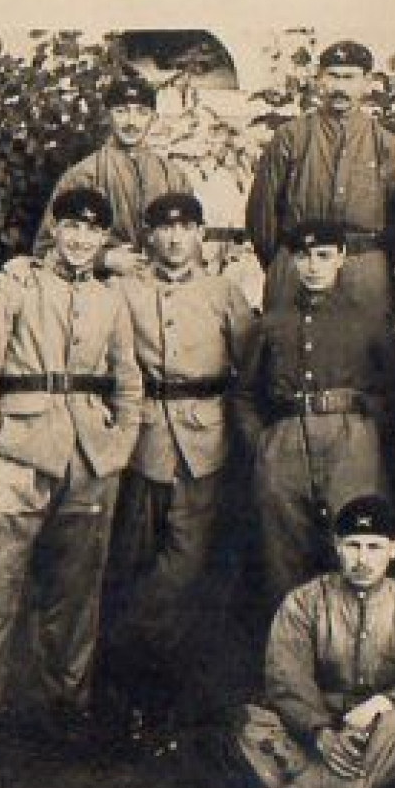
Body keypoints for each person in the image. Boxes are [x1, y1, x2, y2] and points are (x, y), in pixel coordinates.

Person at [0, 187, 143, 776]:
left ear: (104, 240)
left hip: (88, 461)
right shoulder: (16, 283)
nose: (79, 240)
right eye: (70, 227)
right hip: (19, 454)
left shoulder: (110, 298)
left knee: (74, 598)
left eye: (91, 231)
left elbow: (129, 383)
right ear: (55, 230)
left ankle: (65, 714)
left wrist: (116, 446)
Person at [199, 497, 395, 788]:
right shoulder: (303, 602)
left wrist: (388, 701)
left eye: (374, 547)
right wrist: (319, 732)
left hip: (375, 735)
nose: (363, 560)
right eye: (353, 546)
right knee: (252, 727)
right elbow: (286, 677)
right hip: (306, 736)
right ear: (336, 545)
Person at [102, 192, 254, 738]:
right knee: (130, 561)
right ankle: (134, 698)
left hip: (205, 441)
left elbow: (249, 365)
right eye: (163, 229)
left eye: (185, 228)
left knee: (186, 569)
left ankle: (142, 671)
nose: (173, 239)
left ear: (198, 234)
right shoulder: (125, 290)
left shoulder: (223, 293)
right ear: (148, 236)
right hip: (142, 440)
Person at [234, 220, 395, 606]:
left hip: (352, 442)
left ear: (341, 258)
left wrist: (367, 429)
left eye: (324, 256)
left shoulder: (367, 320)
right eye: (304, 256)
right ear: (292, 261)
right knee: (283, 555)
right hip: (285, 441)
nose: (314, 266)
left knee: (354, 547)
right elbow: (243, 394)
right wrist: (262, 443)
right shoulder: (272, 324)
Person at [244, 40, 395, 317]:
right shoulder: (291, 136)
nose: (340, 87)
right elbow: (263, 212)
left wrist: (378, 266)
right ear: (319, 79)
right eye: (333, 76)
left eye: (350, 77)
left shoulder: (387, 143)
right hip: (300, 262)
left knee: (364, 351)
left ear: (367, 82)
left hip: (363, 266)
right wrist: (285, 261)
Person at [34, 73, 192, 276]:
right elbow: (45, 250)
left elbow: (191, 243)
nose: (131, 122)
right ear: (107, 115)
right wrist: (103, 259)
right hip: (100, 292)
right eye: (121, 111)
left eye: (142, 112)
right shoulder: (83, 175)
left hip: (159, 292)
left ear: (153, 117)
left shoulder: (173, 176)